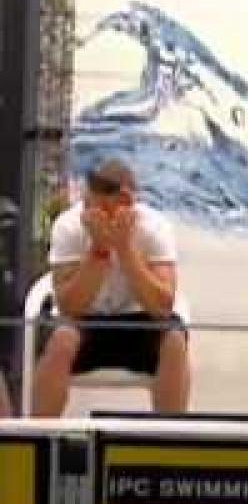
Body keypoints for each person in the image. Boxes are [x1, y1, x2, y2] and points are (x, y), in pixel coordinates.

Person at [32, 159, 189, 416]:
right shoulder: (69, 227)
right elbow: (69, 306)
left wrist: (125, 249)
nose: (92, 215)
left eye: (103, 209)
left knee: (174, 340)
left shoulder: (155, 228)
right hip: (85, 320)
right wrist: (99, 252)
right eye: (88, 205)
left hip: (139, 319)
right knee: (60, 340)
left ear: (127, 204)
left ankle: (169, 440)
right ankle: (42, 440)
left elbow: (162, 306)